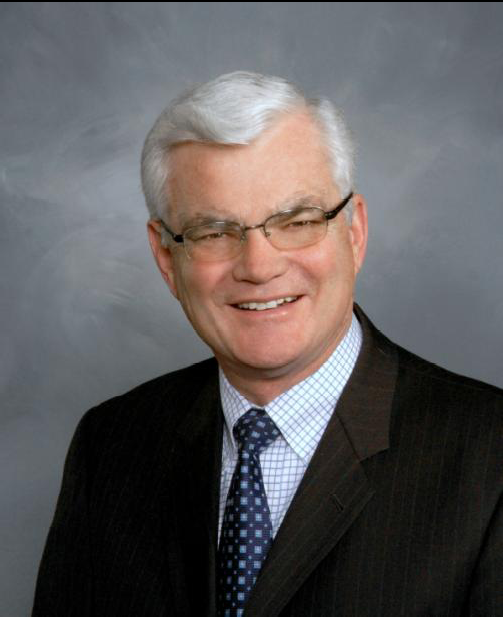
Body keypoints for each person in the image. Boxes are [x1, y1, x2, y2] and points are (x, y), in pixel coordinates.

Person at [32, 71, 502, 616]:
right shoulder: (110, 447)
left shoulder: (489, 457)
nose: (258, 267)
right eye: (214, 232)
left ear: (354, 233)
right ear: (166, 259)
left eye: (298, 222)